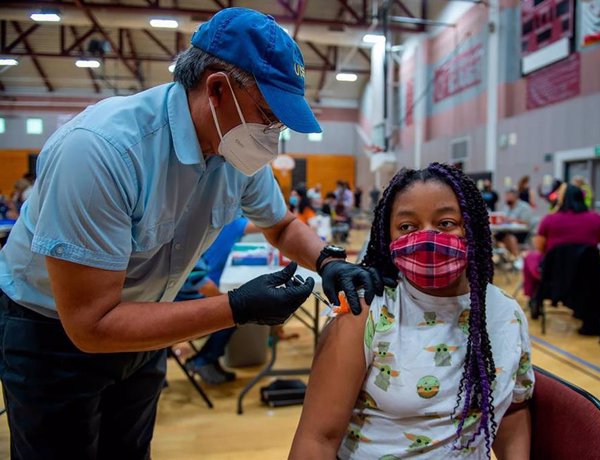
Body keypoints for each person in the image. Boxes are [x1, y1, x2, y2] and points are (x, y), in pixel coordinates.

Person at [0, 8, 384, 459]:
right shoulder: (102, 151)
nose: (272, 135)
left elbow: (280, 225)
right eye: (268, 115)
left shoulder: (234, 148)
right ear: (218, 88)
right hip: (53, 335)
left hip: (145, 325)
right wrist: (237, 308)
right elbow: (91, 325)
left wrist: (328, 259)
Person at [290, 163, 534, 459]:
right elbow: (318, 440)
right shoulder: (365, 312)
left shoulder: (505, 313)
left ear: (473, 228)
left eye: (445, 223)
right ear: (387, 236)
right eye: (407, 227)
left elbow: (512, 408)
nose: (427, 238)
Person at [182, 217, 259, 384]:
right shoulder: (231, 223)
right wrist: (229, 302)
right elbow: (201, 284)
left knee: (238, 306)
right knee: (236, 312)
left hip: (196, 290)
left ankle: (209, 359)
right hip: (188, 298)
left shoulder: (211, 223)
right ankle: (203, 361)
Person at [522, 185, 600, 331]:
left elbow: (540, 248)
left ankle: (534, 298)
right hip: (588, 280)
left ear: (562, 200)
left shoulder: (550, 220)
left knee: (530, 258)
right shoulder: (595, 218)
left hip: (555, 278)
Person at [494, 189, 534, 257]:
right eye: (506, 196)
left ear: (515, 197)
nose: (507, 198)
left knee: (510, 238)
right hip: (506, 231)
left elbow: (526, 222)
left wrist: (512, 220)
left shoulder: (524, 207)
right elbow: (503, 218)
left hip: (520, 232)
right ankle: (501, 258)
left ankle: (516, 259)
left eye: (509, 196)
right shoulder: (505, 207)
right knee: (492, 237)